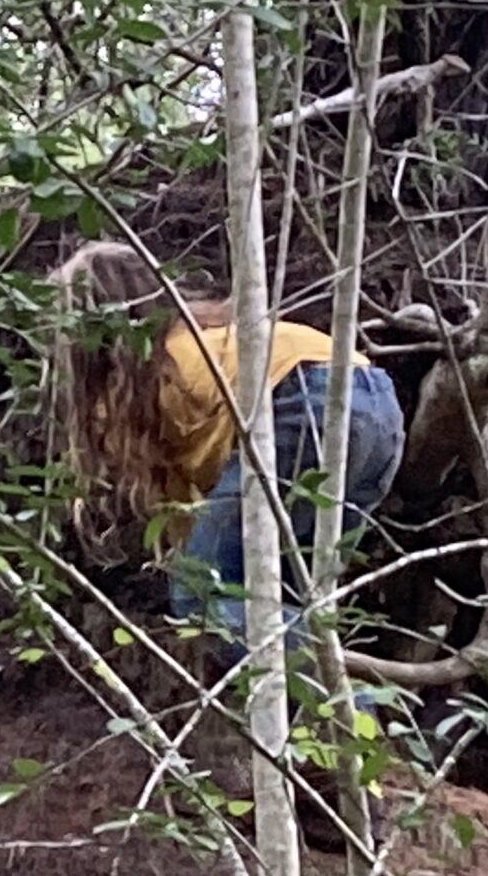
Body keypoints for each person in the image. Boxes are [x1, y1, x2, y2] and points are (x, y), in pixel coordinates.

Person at [49, 240, 403, 653]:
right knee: (282, 594)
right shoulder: (216, 338)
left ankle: (351, 703)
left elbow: (172, 494)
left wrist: (186, 558)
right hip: (376, 398)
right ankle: (327, 705)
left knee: (202, 596)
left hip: (296, 402)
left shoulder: (142, 378)